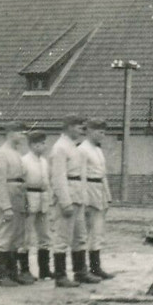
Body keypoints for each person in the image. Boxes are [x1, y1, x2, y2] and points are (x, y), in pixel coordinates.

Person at [49, 114, 91, 287]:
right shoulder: (60, 148)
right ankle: (60, 276)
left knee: (80, 236)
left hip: (78, 196)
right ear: (68, 127)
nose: (81, 129)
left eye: (82, 125)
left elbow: (80, 175)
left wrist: (84, 198)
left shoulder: (74, 147)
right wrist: (65, 202)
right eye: (78, 126)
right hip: (67, 197)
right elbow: (58, 178)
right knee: (62, 237)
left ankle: (80, 272)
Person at [0, 121, 31, 287]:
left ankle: (13, 273)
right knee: (5, 236)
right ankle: (2, 275)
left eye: (24, 132)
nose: (23, 135)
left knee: (16, 237)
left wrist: (25, 202)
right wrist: (5, 205)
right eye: (20, 132)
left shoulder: (16, 154)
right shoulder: (1, 154)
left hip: (18, 196)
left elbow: (22, 180)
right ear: (10, 133)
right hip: (8, 195)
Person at [79, 119, 116, 280]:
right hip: (88, 191)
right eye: (100, 132)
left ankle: (96, 267)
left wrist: (107, 196)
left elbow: (102, 175)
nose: (102, 135)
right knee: (85, 232)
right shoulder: (82, 150)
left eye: (104, 132)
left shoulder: (98, 150)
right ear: (90, 131)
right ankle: (82, 268)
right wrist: (84, 198)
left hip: (99, 190)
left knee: (98, 231)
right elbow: (80, 176)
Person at [18, 130, 52, 281]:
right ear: (31, 145)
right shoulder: (24, 161)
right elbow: (20, 183)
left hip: (43, 198)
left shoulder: (44, 161)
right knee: (26, 235)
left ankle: (44, 270)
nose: (42, 146)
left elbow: (47, 180)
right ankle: (24, 271)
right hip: (29, 197)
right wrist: (23, 201)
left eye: (44, 143)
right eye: (39, 143)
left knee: (45, 235)